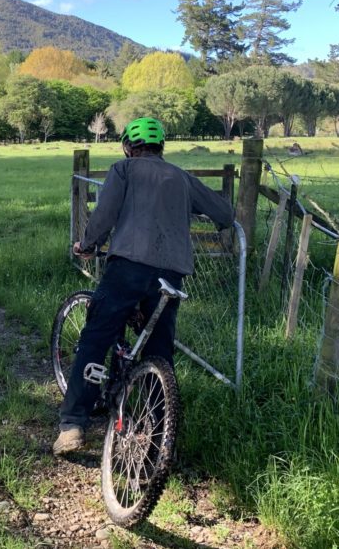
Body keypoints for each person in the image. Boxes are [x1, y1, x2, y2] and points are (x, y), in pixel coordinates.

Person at [54, 117, 234, 455]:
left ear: (128, 146)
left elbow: (104, 214)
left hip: (128, 267)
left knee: (97, 336)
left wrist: (89, 245)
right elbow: (225, 213)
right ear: (161, 147)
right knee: (159, 350)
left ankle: (73, 425)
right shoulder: (182, 177)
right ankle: (156, 437)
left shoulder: (123, 170)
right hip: (173, 273)